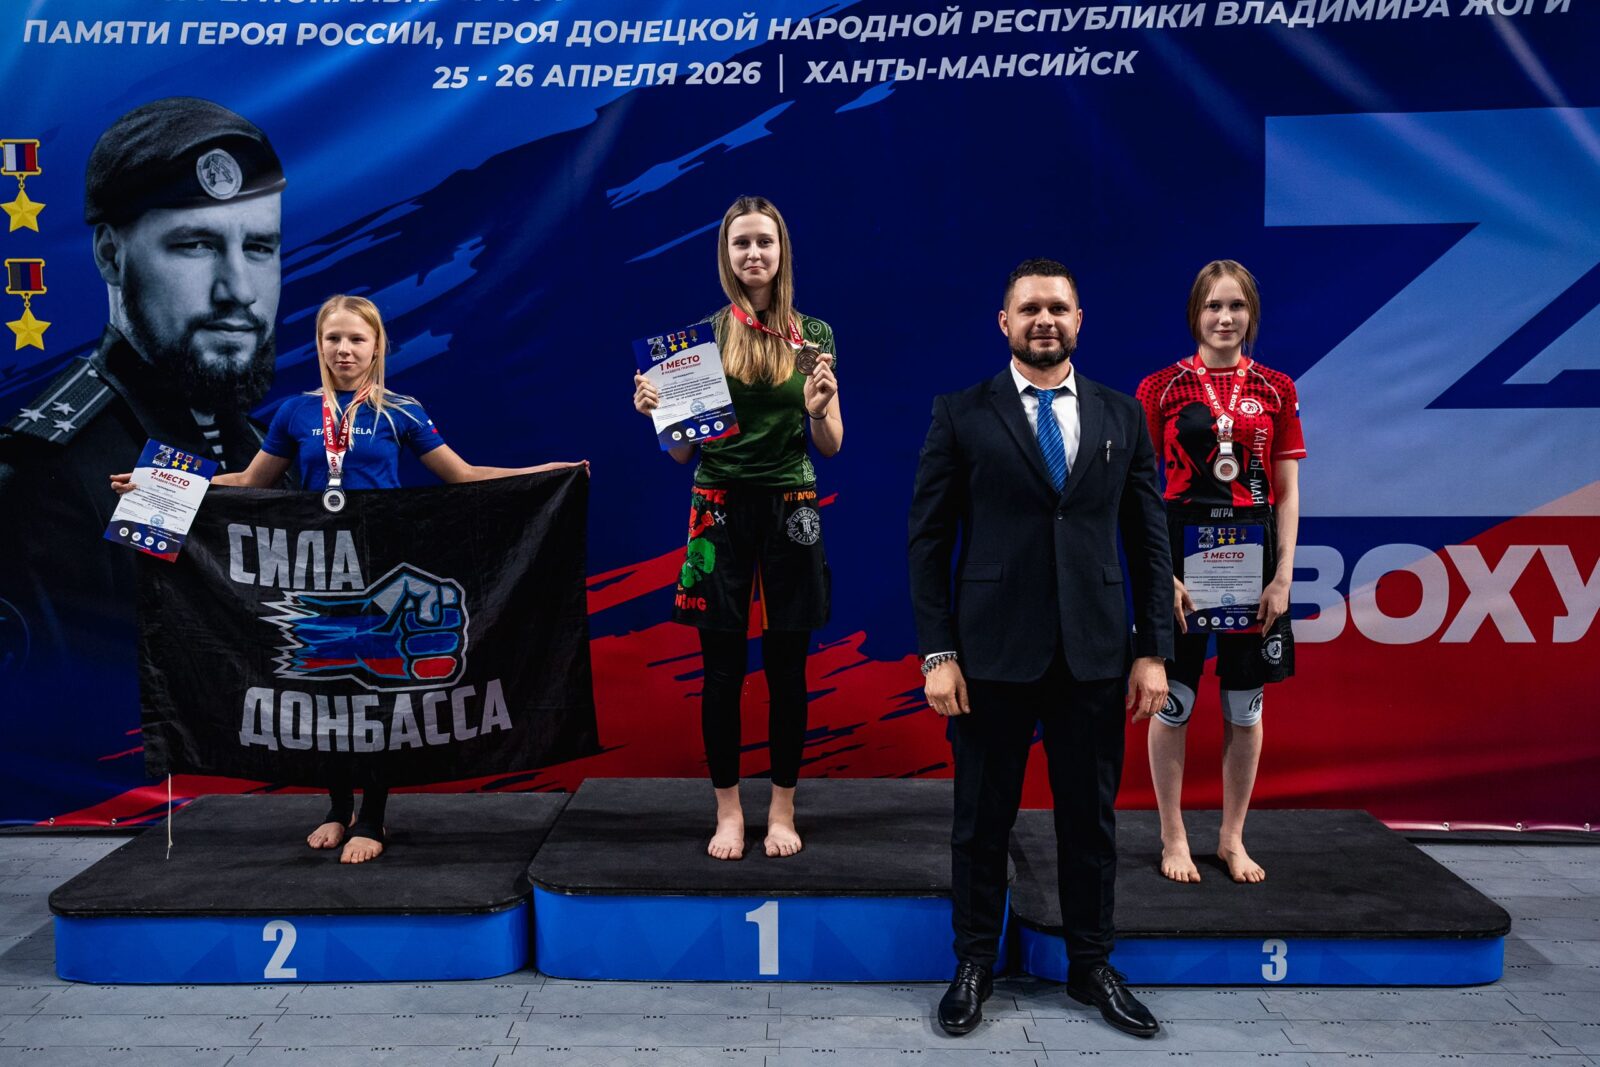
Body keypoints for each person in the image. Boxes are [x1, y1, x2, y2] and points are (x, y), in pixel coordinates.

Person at [113, 294, 585, 862]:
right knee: (324, 693)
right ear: (319, 345)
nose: (344, 349)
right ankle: (337, 810)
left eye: (357, 339)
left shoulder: (401, 411)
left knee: (378, 695)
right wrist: (158, 484)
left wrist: (543, 473)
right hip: (316, 565)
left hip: (380, 567)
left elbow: (461, 475)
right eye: (333, 338)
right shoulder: (295, 412)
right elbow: (249, 482)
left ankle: (373, 818)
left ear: (377, 346)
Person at [0, 97, 288, 822]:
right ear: (110, 254)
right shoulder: (49, 475)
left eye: (259, 247)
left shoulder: (257, 447)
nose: (238, 290)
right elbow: (66, 738)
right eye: (195, 245)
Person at [908, 258, 1172, 1039]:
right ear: (1005, 322)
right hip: (988, 657)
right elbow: (927, 542)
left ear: (1079, 319)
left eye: (1058, 307)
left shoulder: (1124, 416)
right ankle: (973, 964)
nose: (1044, 320)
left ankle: (1092, 965)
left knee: (1090, 822)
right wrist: (937, 652)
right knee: (979, 822)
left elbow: (1149, 545)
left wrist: (1153, 650)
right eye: (1029, 308)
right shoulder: (960, 413)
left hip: (1095, 655)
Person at [631, 195, 841, 862]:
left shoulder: (813, 334)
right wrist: (659, 416)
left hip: (791, 502)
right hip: (717, 505)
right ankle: (728, 811)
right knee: (722, 670)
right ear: (725, 254)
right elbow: (681, 454)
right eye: (741, 243)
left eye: (764, 242)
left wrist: (821, 407)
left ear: (782, 251)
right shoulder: (697, 342)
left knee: (788, 670)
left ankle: (781, 808)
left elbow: (831, 444)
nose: (753, 253)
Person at [1134, 260, 1305, 886]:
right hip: (1180, 554)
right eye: (1213, 306)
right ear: (1195, 314)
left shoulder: (1277, 388)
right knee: (1173, 701)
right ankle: (1173, 836)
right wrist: (1160, 574)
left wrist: (1283, 576)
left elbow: (1288, 491)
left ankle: (1232, 838)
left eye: (1236, 306)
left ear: (1251, 314)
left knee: (1244, 706)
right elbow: (1138, 489)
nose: (1225, 317)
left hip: (1253, 557)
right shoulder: (1160, 388)